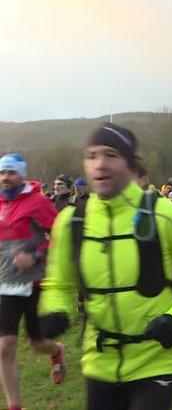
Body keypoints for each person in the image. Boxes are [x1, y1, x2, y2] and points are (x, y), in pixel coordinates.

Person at [38, 123, 172, 410]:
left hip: (155, 360)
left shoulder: (165, 215)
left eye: (111, 155)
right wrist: (55, 309)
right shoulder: (71, 222)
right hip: (98, 361)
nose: (100, 164)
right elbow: (58, 283)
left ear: (129, 163)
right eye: (91, 155)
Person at [0, 154, 65, 410]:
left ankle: (56, 350)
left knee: (35, 343)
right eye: (2, 173)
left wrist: (36, 255)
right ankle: (15, 406)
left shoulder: (37, 202)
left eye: (11, 172)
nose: (5, 177)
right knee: (5, 347)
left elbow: (60, 236)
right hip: (5, 284)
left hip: (35, 284)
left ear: (22, 175)